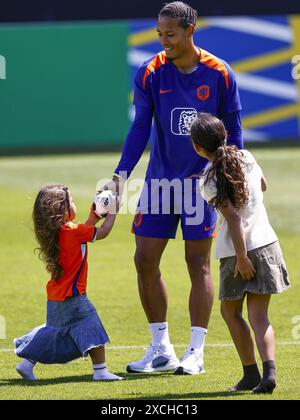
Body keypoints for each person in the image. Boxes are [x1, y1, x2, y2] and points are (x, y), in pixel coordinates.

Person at [105, 1, 243, 375]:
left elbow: (234, 130)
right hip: (160, 183)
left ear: (189, 31)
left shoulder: (220, 73)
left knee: (197, 263)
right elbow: (140, 129)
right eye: (159, 34)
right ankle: (161, 347)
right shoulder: (150, 71)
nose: (164, 40)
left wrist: (234, 176)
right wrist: (121, 176)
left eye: (171, 34)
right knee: (144, 259)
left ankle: (195, 352)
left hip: (203, 185)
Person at [191, 112, 290, 393]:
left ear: (198, 148)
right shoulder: (247, 157)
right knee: (260, 316)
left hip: (237, 252)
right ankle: (268, 374)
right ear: (224, 134)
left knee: (230, 311)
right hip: (268, 243)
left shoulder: (207, 180)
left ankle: (250, 374)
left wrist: (243, 257)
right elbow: (263, 186)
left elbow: (233, 218)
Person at [14, 185, 122, 381]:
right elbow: (103, 232)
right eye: (71, 202)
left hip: (56, 296)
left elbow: (82, 233)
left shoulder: (57, 232)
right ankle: (100, 371)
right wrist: (113, 211)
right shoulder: (73, 231)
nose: (74, 204)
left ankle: (26, 363)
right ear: (62, 210)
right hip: (74, 297)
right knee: (92, 327)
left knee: (52, 333)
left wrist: (95, 215)